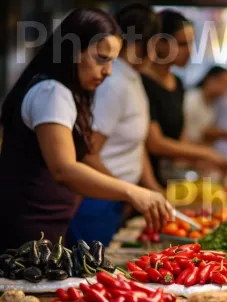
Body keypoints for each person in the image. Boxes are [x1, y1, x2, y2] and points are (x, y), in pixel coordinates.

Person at [0, 8, 171, 251]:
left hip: (45, 226)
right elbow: (64, 169)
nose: (108, 71)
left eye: (112, 61)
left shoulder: (66, 92)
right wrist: (132, 192)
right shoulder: (51, 92)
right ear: (72, 51)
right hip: (28, 230)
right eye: (101, 58)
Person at [67, 4, 163, 245]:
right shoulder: (114, 83)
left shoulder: (131, 77)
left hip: (116, 199)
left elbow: (136, 142)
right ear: (146, 44)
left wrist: (150, 187)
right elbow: (88, 152)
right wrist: (126, 192)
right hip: (97, 201)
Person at [141, 10, 227, 185]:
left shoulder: (178, 83)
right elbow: (155, 143)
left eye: (191, 44)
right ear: (160, 44)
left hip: (166, 178)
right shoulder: (142, 82)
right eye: (182, 44)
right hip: (143, 181)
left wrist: (203, 161)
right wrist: (206, 154)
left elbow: (181, 141)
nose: (190, 51)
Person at [183, 66, 227, 146]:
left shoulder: (213, 105)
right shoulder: (192, 99)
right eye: (222, 82)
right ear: (209, 79)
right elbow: (190, 137)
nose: (225, 88)